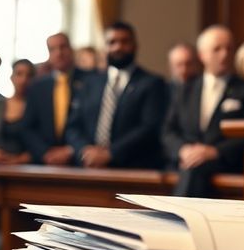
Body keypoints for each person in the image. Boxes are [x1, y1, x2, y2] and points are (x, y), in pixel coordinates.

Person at [163, 25, 244, 197]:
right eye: (217, 49)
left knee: (195, 168)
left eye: (229, 48)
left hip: (225, 162)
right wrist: (183, 150)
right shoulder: (185, 89)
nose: (224, 54)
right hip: (185, 161)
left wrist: (214, 151)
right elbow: (168, 131)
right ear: (202, 55)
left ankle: (178, 220)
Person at [65, 22, 168, 169]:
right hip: (88, 166)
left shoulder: (152, 83)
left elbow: (149, 128)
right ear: (104, 47)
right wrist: (84, 150)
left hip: (131, 168)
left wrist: (111, 153)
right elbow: (73, 126)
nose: (118, 47)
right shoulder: (89, 83)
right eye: (111, 42)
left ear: (135, 45)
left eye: (124, 42)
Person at [21, 33, 91, 166]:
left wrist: (72, 150)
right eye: (52, 49)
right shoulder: (37, 87)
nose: (59, 53)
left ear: (71, 49)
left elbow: (94, 123)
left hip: (81, 161)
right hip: (45, 163)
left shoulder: (91, 81)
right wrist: (44, 153)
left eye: (63, 47)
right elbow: (27, 128)